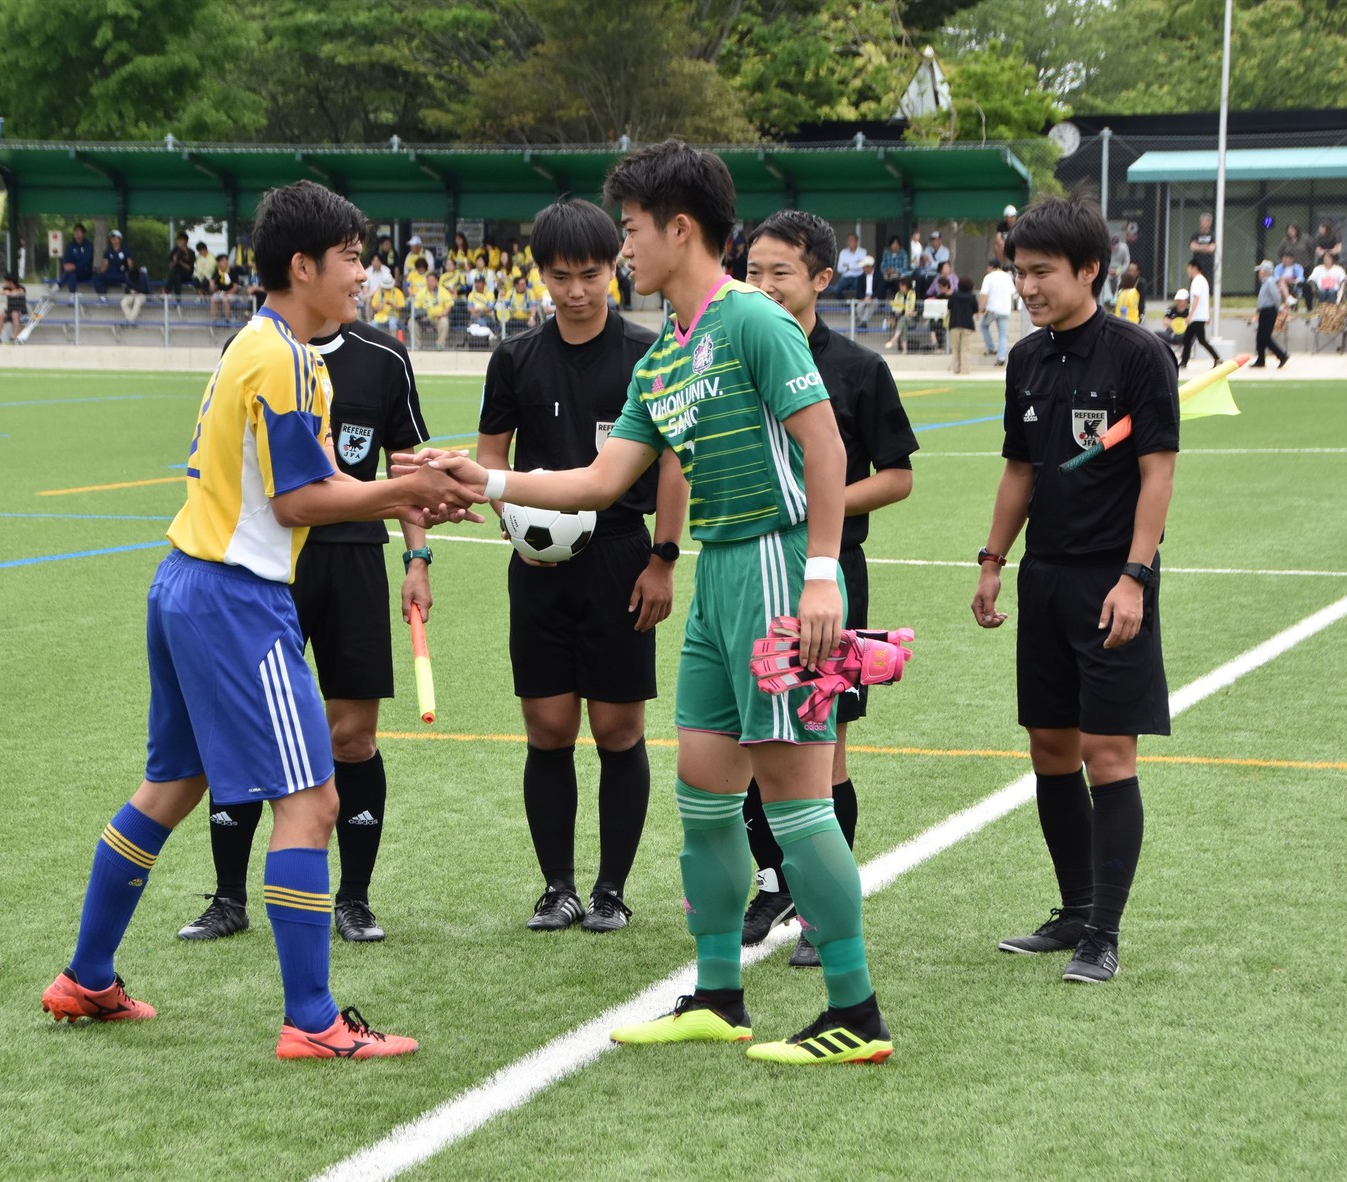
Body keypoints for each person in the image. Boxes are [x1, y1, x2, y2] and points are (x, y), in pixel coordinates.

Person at [408, 139, 894, 1064]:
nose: (623, 251)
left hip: (775, 570)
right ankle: (719, 990)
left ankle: (854, 1011)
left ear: (680, 229)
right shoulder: (668, 354)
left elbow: (827, 451)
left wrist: (823, 573)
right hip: (717, 581)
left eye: (630, 232)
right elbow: (600, 480)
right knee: (706, 793)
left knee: (796, 798)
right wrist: (487, 481)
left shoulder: (753, 321)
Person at [37, 180, 483, 1059]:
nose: (365, 274)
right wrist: (408, 490)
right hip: (237, 602)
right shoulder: (279, 357)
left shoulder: (279, 348)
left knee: (170, 787)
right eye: (353, 258)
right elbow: (296, 502)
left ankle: (86, 979)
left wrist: (413, 489)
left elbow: (317, 483)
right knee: (312, 802)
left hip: (185, 586)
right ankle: (313, 1023)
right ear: (303, 265)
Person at [971, 195, 1178, 985]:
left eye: (1043, 273)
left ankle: (1106, 934)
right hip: (1045, 577)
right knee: (1050, 748)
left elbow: (1157, 471)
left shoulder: (1137, 354)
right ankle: (1074, 910)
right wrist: (993, 561)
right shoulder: (1025, 358)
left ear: (1090, 269)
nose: (1028, 287)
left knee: (1106, 752)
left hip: (1110, 578)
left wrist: (1135, 577)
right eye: (1020, 272)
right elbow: (1020, 468)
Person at [179, 306, 433, 946]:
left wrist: (418, 558)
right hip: (267, 567)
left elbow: (406, 469)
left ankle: (353, 899)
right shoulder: (256, 350)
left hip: (353, 561)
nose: (357, 275)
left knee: (353, 735)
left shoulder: (385, 355)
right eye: (346, 258)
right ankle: (228, 898)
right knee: (246, 729)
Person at [476, 199, 685, 933]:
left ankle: (611, 890)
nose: (575, 291)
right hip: (538, 568)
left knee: (619, 730)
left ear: (614, 271)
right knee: (548, 727)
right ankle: (557, 887)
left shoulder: (648, 355)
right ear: (541, 277)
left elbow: (673, 468)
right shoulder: (515, 358)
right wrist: (516, 521)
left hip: (624, 558)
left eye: (589, 275)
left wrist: (663, 557)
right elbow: (491, 456)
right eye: (560, 277)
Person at [740, 209, 917, 965]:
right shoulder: (729, 360)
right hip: (746, 575)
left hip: (824, 577)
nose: (763, 286)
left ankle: (820, 912)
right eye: (752, 272)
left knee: (822, 746)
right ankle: (774, 881)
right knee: (751, 743)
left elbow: (899, 478)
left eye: (780, 272)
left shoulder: (857, 368)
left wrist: (820, 505)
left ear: (820, 278)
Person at [1178, 257, 1221, 370]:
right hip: (1199, 316)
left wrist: (1190, 315)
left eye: (1189, 268)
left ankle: (1217, 358)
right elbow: (1205, 300)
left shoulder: (1197, 281)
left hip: (1196, 317)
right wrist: (1207, 315)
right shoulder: (1203, 280)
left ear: (1194, 268)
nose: (1188, 271)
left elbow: (1196, 299)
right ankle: (1183, 362)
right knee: (1187, 339)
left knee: (1201, 340)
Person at [1250, 260, 1289, 369]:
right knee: (1259, 337)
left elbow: (1276, 297)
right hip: (1264, 311)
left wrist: (1279, 308)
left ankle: (1282, 355)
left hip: (1269, 311)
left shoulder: (1270, 282)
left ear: (1265, 272)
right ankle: (1261, 360)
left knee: (1265, 337)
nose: (1259, 273)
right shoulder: (1265, 282)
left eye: (1261, 271)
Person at [978, 256, 1017, 365]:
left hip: (992, 310)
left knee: (984, 326)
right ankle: (1001, 357)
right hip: (1005, 310)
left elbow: (984, 294)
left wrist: (980, 308)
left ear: (990, 266)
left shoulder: (989, 277)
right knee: (1003, 334)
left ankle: (991, 347)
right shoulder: (1007, 277)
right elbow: (1013, 293)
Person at [947, 275, 979, 373]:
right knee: (965, 349)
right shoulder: (972, 297)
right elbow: (975, 310)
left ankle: (956, 369)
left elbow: (949, 308)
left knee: (955, 348)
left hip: (954, 324)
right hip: (967, 325)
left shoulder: (953, 296)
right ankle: (965, 370)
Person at [417, 270, 454, 349]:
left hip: (438, 317)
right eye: (428, 280)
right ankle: (417, 345)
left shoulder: (443, 291)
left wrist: (442, 314)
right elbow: (416, 306)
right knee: (411, 322)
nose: (430, 282)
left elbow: (448, 305)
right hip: (424, 317)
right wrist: (421, 315)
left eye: (432, 280)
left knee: (444, 321)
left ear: (437, 281)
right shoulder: (421, 291)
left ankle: (440, 344)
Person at [882, 278, 917, 352]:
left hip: (911, 319)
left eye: (902, 286)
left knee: (903, 319)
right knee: (903, 324)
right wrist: (896, 310)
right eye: (900, 286)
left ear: (907, 286)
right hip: (900, 318)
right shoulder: (898, 294)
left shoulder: (913, 293)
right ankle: (904, 350)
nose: (901, 288)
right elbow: (895, 306)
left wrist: (908, 312)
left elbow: (913, 309)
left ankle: (894, 338)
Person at [59, 223, 94, 294]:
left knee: (71, 272)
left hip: (85, 271)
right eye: (75, 231)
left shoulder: (88, 245)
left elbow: (86, 260)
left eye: (79, 231)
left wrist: (75, 266)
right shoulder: (70, 245)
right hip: (72, 272)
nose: (76, 233)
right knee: (71, 274)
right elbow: (66, 258)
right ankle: (73, 295)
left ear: (83, 233)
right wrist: (65, 265)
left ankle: (57, 285)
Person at [831, 232, 867, 299]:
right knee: (835, 290)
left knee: (861, 290)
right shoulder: (843, 252)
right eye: (848, 240)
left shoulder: (863, 252)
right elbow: (839, 269)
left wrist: (848, 266)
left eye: (851, 240)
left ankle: (856, 307)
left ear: (856, 242)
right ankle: (846, 305)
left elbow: (862, 267)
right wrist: (855, 264)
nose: (849, 242)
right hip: (846, 277)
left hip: (858, 277)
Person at [0, 274, 29, 343]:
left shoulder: (21, 288)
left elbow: (17, 293)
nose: (5, 283)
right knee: (1, 314)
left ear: (10, 282)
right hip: (10, 310)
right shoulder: (6, 288)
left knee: (14, 314)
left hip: (21, 311)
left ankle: (14, 336)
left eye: (6, 282)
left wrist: (9, 293)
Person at [876, 235, 908, 301]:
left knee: (898, 284)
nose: (895, 246)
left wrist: (895, 270)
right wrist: (887, 270)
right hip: (888, 277)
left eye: (897, 244)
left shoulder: (903, 253)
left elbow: (905, 268)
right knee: (881, 284)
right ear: (890, 245)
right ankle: (881, 304)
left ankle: (897, 304)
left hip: (898, 277)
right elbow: (882, 266)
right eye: (893, 244)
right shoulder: (886, 253)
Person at [165, 232, 197, 296]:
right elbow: (172, 265)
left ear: (186, 242)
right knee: (177, 276)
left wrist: (180, 262)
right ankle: (178, 301)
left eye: (182, 241)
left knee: (176, 272)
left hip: (187, 274)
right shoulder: (175, 250)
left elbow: (189, 268)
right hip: (177, 275)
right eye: (179, 240)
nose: (180, 243)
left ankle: (165, 291)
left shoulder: (191, 252)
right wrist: (175, 261)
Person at [1188, 212, 1215, 287]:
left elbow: (1211, 249)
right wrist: (1205, 247)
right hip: (1197, 264)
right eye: (1203, 221)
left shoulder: (1212, 235)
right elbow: (1193, 247)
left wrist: (1199, 247)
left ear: (1210, 223)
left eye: (1207, 221)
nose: (1205, 223)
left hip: (1208, 264)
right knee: (1195, 282)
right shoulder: (1196, 235)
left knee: (1208, 283)